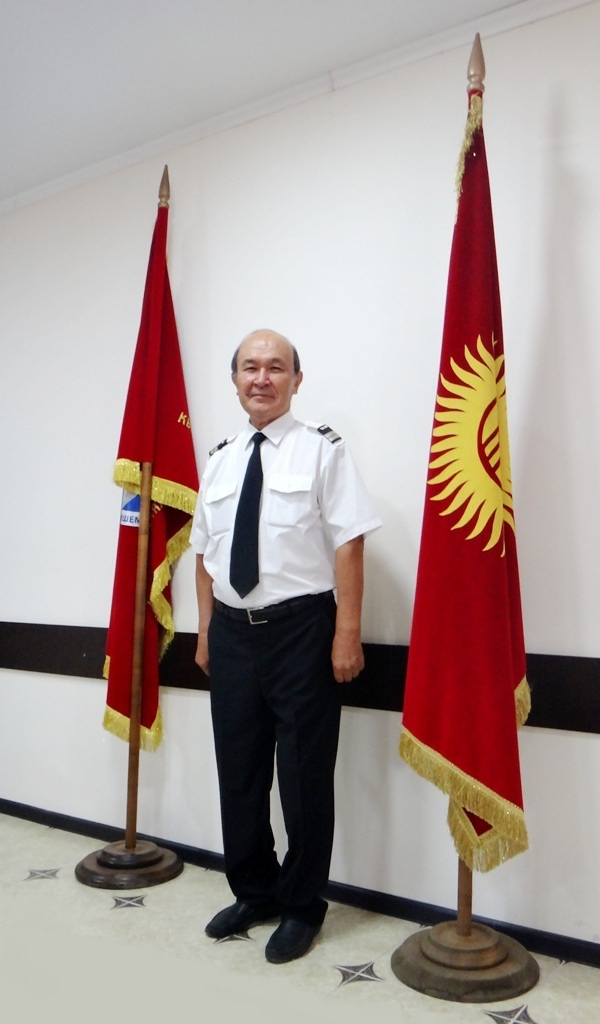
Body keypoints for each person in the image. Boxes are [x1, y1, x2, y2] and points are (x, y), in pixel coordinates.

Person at [190, 328, 381, 964]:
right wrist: (205, 630)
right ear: (235, 381)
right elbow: (204, 555)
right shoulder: (220, 458)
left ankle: (301, 906)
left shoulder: (322, 450)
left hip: (302, 633)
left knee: (302, 778)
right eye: (250, 367)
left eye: (276, 367)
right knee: (239, 772)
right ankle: (255, 891)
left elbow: (350, 542)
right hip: (231, 633)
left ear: (297, 381)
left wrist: (346, 632)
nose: (262, 378)